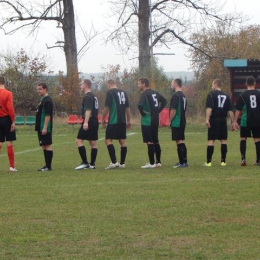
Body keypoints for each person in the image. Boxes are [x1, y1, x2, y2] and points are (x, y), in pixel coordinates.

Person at [203, 79, 234, 167]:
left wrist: (207, 119)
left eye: (213, 84)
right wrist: (233, 122)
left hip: (214, 119)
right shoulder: (226, 96)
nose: (212, 86)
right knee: (223, 140)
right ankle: (223, 161)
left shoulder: (211, 94)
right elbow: (230, 110)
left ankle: (208, 162)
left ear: (216, 84)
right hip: (223, 119)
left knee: (211, 140)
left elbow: (209, 108)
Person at [137, 77, 166, 169]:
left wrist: (143, 114)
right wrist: (158, 111)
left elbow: (140, 105)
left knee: (149, 141)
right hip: (155, 119)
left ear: (144, 84)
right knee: (156, 141)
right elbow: (164, 101)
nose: (138, 85)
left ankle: (151, 163)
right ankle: (158, 162)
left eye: (139, 84)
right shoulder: (155, 93)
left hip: (147, 120)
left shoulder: (144, 94)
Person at [102, 79, 131, 169]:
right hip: (122, 120)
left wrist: (103, 118)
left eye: (107, 85)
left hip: (113, 120)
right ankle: (122, 163)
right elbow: (127, 108)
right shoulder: (123, 92)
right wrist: (128, 121)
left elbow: (107, 107)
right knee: (122, 141)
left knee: (108, 140)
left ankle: (114, 162)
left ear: (110, 84)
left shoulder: (110, 92)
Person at [233, 76, 260, 166]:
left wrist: (235, 121)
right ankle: (258, 160)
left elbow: (238, 109)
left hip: (245, 120)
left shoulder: (243, 95)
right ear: (255, 83)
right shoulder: (259, 93)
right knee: (257, 139)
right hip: (257, 120)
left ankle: (243, 159)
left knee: (243, 138)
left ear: (246, 84)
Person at [75, 79, 99, 170]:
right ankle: (92, 164)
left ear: (85, 85)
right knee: (93, 142)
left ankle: (85, 162)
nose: (80, 86)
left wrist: (85, 122)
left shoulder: (88, 96)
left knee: (79, 140)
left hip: (89, 120)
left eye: (81, 84)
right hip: (95, 120)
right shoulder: (94, 96)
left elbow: (88, 110)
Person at [170, 78, 188, 168]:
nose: (171, 86)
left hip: (177, 121)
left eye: (172, 84)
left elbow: (173, 110)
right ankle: (183, 161)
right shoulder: (183, 95)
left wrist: (169, 120)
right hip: (182, 120)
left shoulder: (176, 96)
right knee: (180, 140)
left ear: (176, 84)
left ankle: (182, 162)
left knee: (179, 141)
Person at [35, 82, 54, 171]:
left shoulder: (47, 101)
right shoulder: (43, 99)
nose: (38, 91)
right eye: (38, 89)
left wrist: (45, 127)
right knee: (43, 145)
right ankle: (46, 165)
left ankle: (48, 166)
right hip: (40, 126)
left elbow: (47, 115)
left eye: (40, 89)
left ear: (45, 89)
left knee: (47, 145)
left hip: (45, 127)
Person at [0, 76, 17, 172]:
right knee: (9, 141)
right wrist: (13, 120)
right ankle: (11, 166)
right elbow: (10, 107)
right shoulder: (8, 93)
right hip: (6, 119)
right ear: (4, 82)